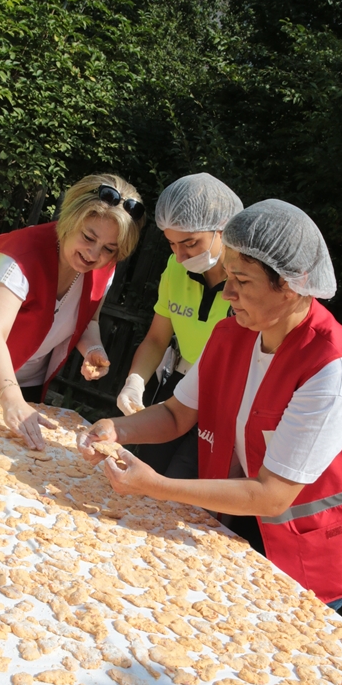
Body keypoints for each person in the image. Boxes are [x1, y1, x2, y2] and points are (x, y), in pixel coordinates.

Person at [78, 199, 342, 607]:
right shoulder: (233, 334)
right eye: (228, 276)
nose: (227, 292)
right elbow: (178, 414)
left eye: (243, 282)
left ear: (291, 286)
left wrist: (156, 487)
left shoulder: (335, 373)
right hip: (245, 520)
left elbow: (273, 494)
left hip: (318, 551)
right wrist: (116, 428)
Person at [0, 173, 145, 449]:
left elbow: (88, 319)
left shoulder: (104, 268)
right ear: (69, 219)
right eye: (88, 237)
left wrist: (93, 348)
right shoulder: (18, 255)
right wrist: (10, 399)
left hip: (26, 391)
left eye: (109, 249)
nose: (94, 254)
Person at [117, 173, 242, 477]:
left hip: (226, 400)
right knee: (147, 470)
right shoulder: (175, 267)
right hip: (180, 385)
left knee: (184, 484)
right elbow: (157, 338)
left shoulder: (248, 280)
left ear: (223, 230)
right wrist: (135, 381)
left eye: (190, 243)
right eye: (172, 243)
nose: (180, 255)